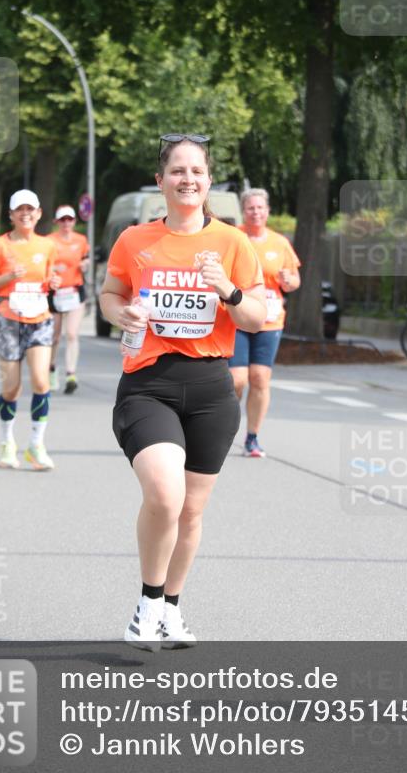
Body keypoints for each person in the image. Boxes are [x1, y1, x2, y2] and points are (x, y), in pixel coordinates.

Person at [99, 134, 266, 649]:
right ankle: (148, 604)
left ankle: (171, 608)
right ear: (161, 181)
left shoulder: (233, 243)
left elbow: (256, 317)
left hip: (212, 388)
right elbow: (110, 293)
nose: (187, 179)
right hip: (148, 385)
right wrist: (121, 313)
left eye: (196, 171)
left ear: (209, 180)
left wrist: (227, 289)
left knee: (191, 510)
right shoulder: (135, 240)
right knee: (165, 495)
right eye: (177, 170)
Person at [0, 189, 61, 471]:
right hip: (8, 320)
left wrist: (53, 283)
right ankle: (7, 442)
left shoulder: (48, 245)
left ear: (39, 214)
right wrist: (8, 276)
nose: (25, 214)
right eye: (20, 210)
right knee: (11, 387)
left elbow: (49, 279)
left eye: (30, 209)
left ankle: (36, 445)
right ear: (11, 215)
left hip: (39, 318)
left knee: (41, 381)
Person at [228, 188, 301, 458]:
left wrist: (288, 281)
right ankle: (223, 428)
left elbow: (294, 280)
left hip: (269, 320)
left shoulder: (279, 243)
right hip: (237, 317)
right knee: (237, 380)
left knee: (259, 378)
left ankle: (252, 437)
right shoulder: (233, 238)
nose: (256, 212)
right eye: (250, 208)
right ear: (243, 211)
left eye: (260, 208)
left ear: (267, 211)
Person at [47, 205, 89, 394]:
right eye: (62, 219)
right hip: (54, 292)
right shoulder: (49, 241)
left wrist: (85, 264)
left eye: (69, 219)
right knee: (54, 336)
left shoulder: (81, 240)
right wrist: (54, 269)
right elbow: (42, 265)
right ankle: (51, 369)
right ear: (56, 222)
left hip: (74, 291)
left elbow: (86, 258)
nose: (66, 223)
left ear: (74, 221)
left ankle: (71, 374)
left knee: (72, 334)